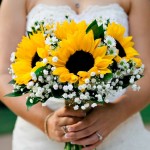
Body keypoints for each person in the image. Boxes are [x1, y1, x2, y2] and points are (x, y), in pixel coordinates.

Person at [0, 0, 150, 150]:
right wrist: (46, 121)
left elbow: (147, 71)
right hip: (39, 139)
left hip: (120, 135)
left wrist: (116, 113)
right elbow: (3, 74)